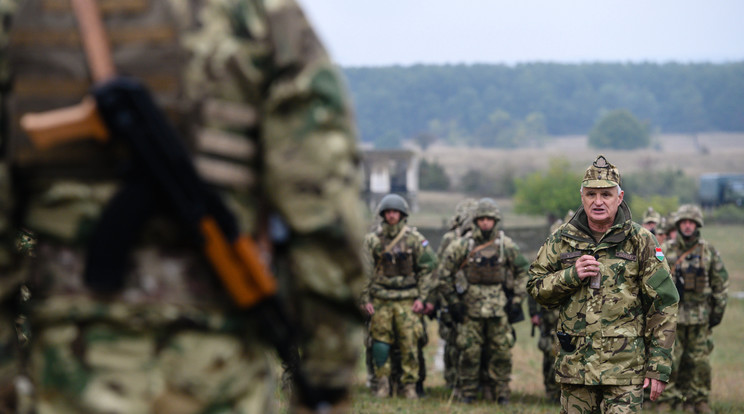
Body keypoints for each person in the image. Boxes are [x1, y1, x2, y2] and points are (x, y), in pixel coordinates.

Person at [2, 1, 367, 413]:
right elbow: (323, 208)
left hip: (67, 372)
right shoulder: (260, 15)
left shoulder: (19, 16)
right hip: (216, 373)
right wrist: (328, 376)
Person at [527, 155, 679, 413]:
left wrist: (658, 365)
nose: (598, 202)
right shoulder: (561, 240)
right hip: (575, 369)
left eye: (606, 195)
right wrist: (570, 275)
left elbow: (663, 303)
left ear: (619, 198)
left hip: (624, 369)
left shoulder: (641, 241)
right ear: (582, 196)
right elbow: (536, 288)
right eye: (591, 194)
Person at [437, 198, 529, 404]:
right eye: (482, 219)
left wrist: (516, 300)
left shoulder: (506, 246)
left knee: (501, 353)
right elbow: (443, 275)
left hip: (498, 310)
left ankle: (501, 393)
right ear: (475, 220)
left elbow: (524, 272)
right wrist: (453, 302)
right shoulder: (461, 245)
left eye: (489, 219)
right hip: (469, 310)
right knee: (469, 353)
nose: (485, 223)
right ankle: (467, 392)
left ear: (495, 220)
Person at [361, 193, 437, 399]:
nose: (392, 215)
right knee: (380, 344)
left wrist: (422, 298)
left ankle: (409, 387)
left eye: (395, 212)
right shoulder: (372, 240)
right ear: (383, 214)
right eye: (388, 212)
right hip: (381, 300)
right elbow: (364, 272)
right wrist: (365, 299)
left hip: (407, 300)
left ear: (402, 214)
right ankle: (383, 385)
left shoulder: (414, 239)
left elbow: (427, 268)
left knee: (410, 344)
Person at [655, 204, 728, 413]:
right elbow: (653, 281)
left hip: (700, 317)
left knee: (699, 363)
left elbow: (720, 285)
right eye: (684, 222)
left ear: (697, 225)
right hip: (672, 318)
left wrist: (715, 315)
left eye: (691, 222)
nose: (687, 226)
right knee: (670, 360)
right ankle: (667, 400)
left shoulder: (708, 251)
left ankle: (697, 400)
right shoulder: (665, 250)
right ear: (678, 224)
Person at [527, 209, 573, 404]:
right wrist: (534, 313)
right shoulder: (550, 254)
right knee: (549, 353)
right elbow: (535, 284)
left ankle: (565, 392)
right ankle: (551, 391)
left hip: (570, 316)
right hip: (549, 314)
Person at [434, 197, 476, 389]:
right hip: (451, 295)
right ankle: (452, 380)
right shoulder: (450, 239)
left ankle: (465, 381)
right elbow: (441, 270)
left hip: (471, 295)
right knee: (451, 339)